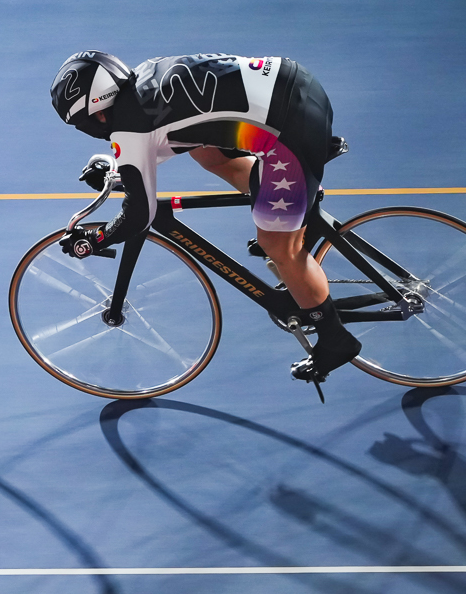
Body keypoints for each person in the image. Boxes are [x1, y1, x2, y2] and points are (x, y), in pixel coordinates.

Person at [49, 50, 360, 382]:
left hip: (290, 129)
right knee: (209, 154)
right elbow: (165, 135)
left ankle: (334, 339)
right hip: (296, 85)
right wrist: (118, 166)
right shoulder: (143, 78)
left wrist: (96, 239)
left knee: (278, 248)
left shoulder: (129, 127)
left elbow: (141, 213)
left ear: (96, 114)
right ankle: (285, 205)